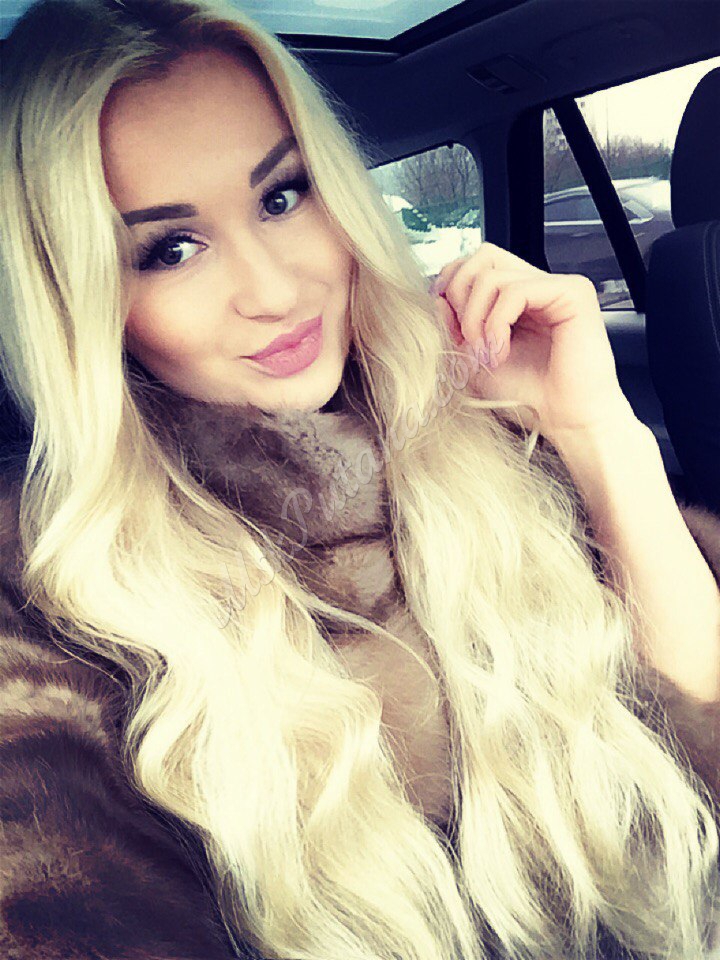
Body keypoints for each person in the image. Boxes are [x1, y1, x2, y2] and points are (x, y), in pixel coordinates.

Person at [1, 0, 719, 958]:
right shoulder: (52, 604)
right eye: (170, 250)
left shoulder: (486, 435)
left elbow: (703, 745)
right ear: (82, 302)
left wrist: (598, 434)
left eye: (282, 196)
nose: (275, 290)